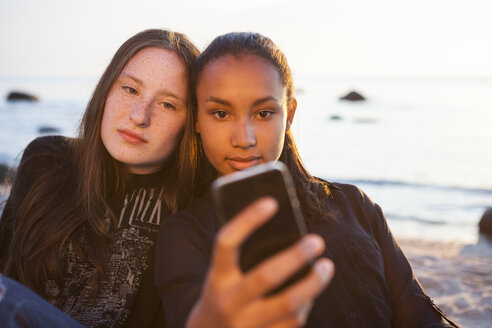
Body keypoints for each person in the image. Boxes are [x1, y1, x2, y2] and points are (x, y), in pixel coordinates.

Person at [154, 32, 459, 327]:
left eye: (263, 113)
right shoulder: (183, 236)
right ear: (196, 119)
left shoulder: (355, 205)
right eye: (221, 113)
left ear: (289, 114)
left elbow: (420, 317)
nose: (243, 138)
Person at [0, 28, 200, 327]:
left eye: (167, 104)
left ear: (191, 123)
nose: (139, 116)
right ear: (106, 89)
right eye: (130, 89)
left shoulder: (193, 207)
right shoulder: (46, 162)